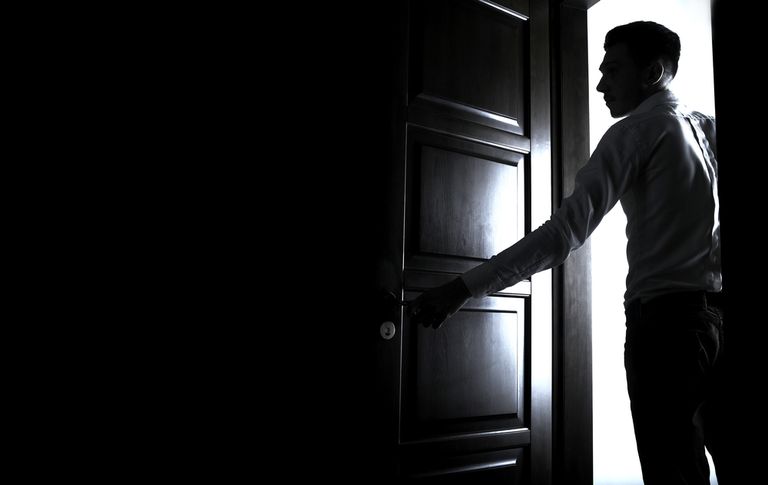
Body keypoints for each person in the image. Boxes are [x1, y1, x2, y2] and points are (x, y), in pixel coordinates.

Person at [408, 21, 729, 484]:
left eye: (613, 71)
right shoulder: (709, 130)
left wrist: (463, 287)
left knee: (673, 473)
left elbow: (563, 233)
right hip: (716, 322)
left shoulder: (637, 131)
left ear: (653, 73)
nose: (600, 84)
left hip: (666, 331)